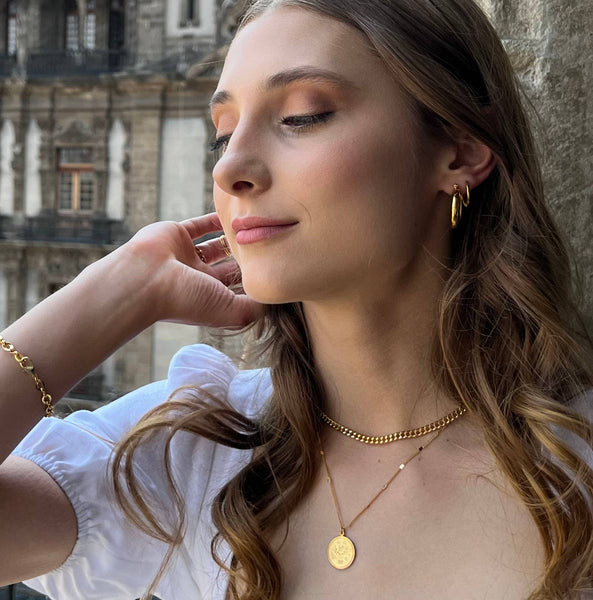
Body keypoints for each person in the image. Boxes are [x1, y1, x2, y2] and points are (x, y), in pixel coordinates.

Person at [1, 0, 592, 598]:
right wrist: (112, 292)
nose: (230, 167)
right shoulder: (198, 458)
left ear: (460, 151)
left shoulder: (578, 464)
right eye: (222, 135)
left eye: (302, 117)